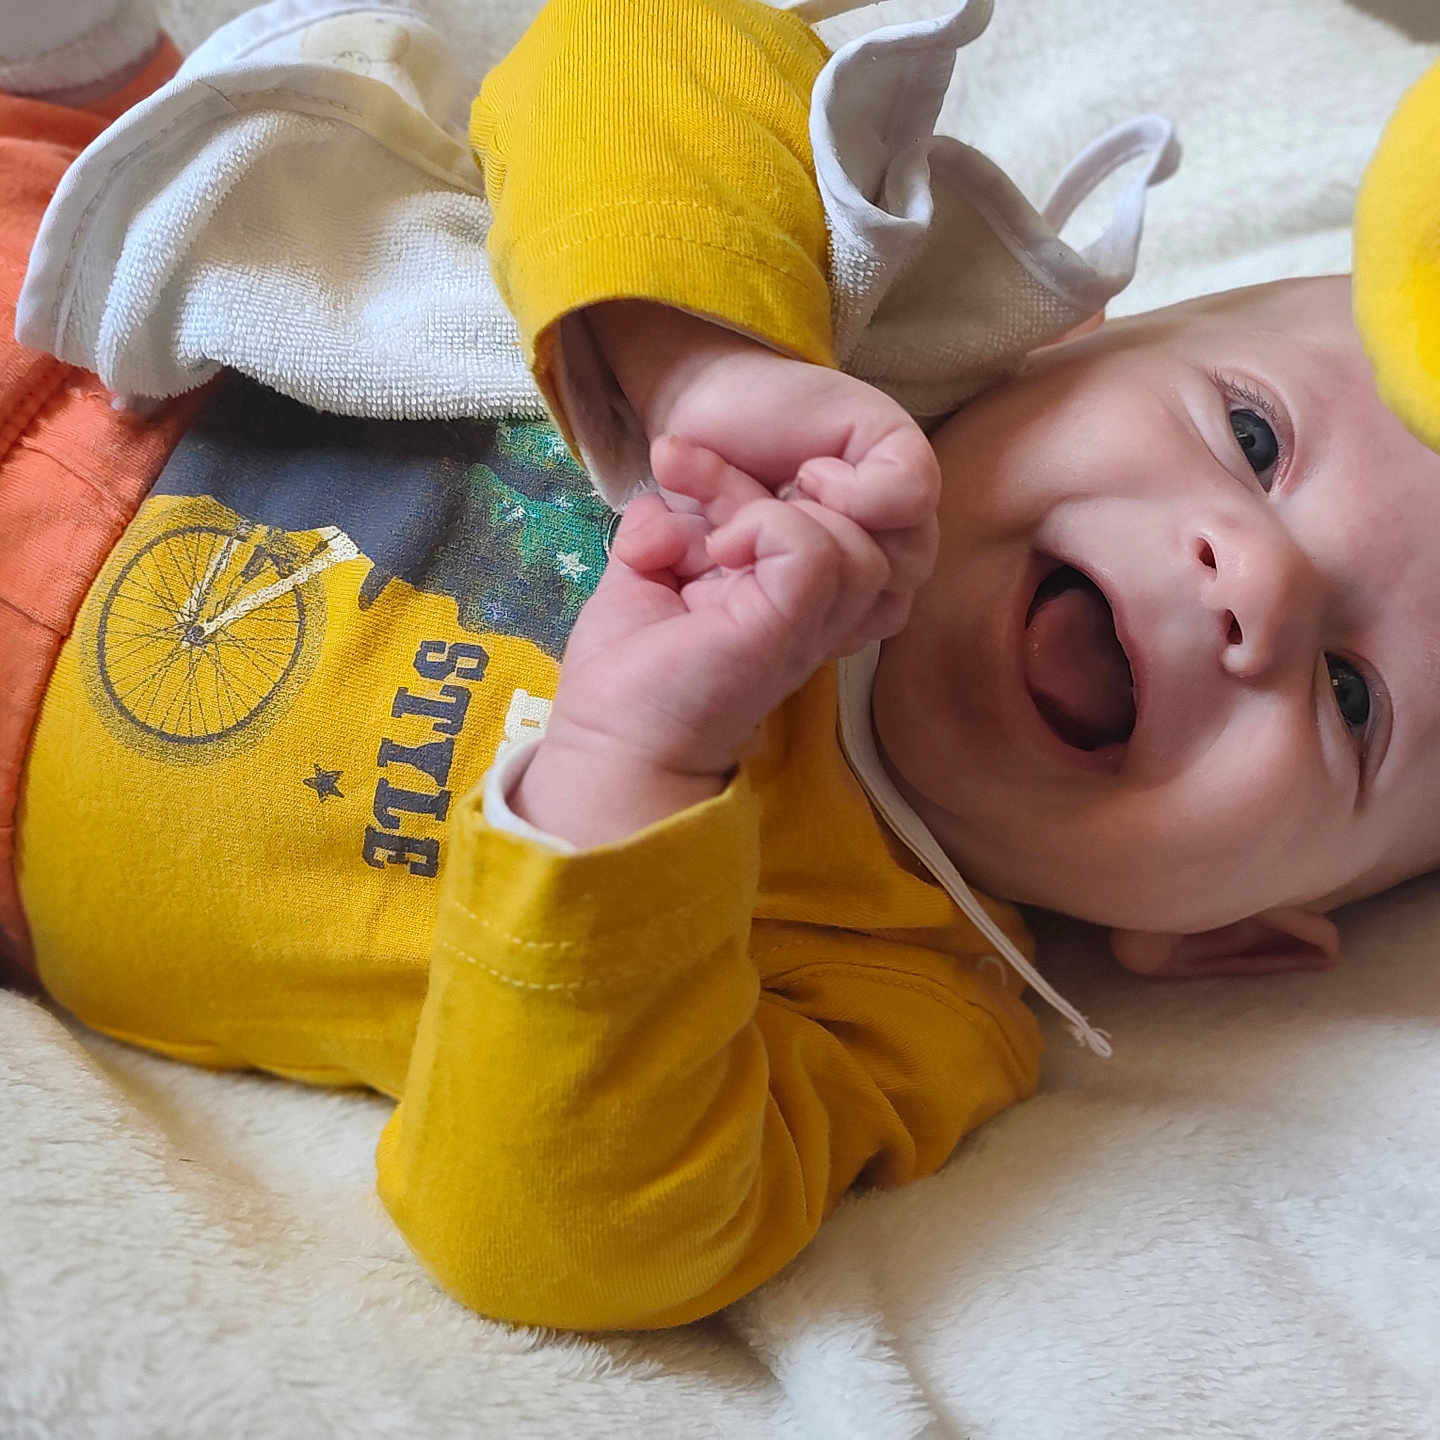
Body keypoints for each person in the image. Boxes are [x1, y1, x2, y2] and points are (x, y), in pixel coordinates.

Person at [3, 0, 1436, 1332]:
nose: (1254, 582)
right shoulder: (862, 316)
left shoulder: (906, 1001)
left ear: (1225, 943)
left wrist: (632, 768)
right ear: (1069, 349)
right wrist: (703, 355)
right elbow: (632, 39)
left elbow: (563, 1238)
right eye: (1253, 440)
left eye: (1353, 696)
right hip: (84, 262)